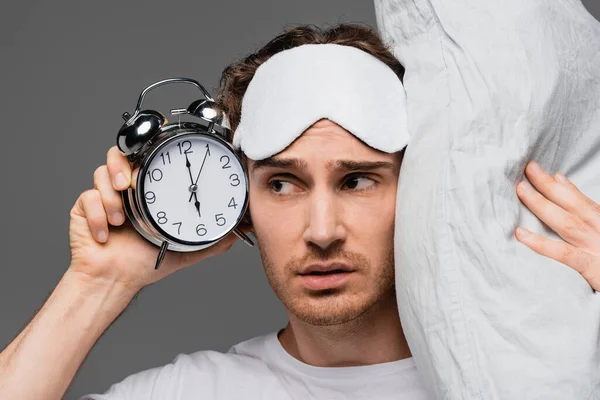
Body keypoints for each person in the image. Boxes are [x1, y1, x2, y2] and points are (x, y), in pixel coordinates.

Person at [0, 24, 598, 400]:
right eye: (283, 184)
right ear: (242, 204)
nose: (321, 232)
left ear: (419, 190)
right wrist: (96, 283)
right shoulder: (191, 391)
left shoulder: (528, 370)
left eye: (358, 180)